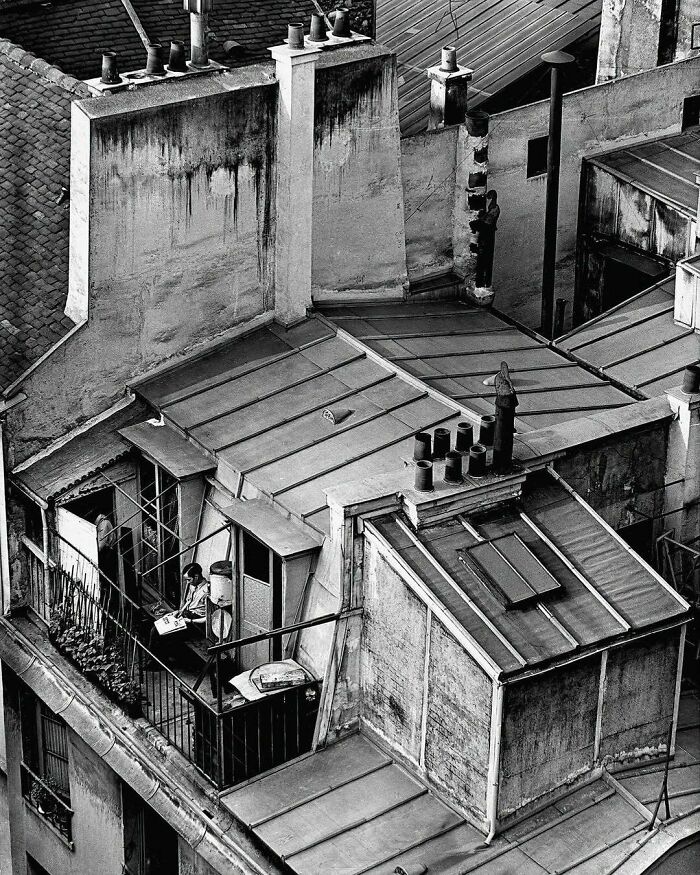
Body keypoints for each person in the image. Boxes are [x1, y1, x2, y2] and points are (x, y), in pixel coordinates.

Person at [147, 562, 208, 664]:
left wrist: (191, 620)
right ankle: (156, 660)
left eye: (189, 579)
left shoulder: (207, 591)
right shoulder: (193, 585)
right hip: (186, 615)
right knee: (156, 628)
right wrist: (179, 611)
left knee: (161, 633)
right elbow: (189, 601)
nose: (188, 583)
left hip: (196, 623)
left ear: (196, 576)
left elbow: (209, 617)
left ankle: (156, 662)